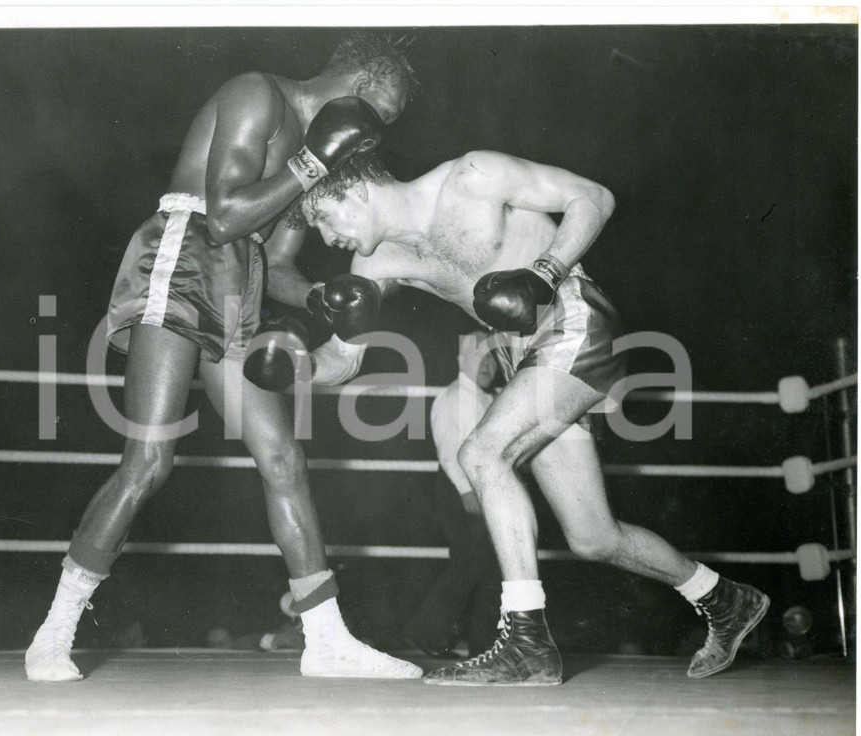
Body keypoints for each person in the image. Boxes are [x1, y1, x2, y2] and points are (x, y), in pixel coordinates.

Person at [264, 150, 770, 685]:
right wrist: (298, 367)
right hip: (523, 359)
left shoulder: (473, 177)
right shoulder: (374, 265)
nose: (324, 237)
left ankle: (527, 642)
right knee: (594, 536)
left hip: (572, 319)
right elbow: (345, 360)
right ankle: (722, 597)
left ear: (358, 188)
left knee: (482, 453)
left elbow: (594, 198)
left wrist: (542, 273)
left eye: (322, 216)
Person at [24, 33, 422, 682]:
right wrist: (313, 165)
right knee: (149, 460)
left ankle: (326, 639)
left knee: (283, 455)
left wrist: (326, 296)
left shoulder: (314, 153)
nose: (378, 131)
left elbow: (281, 262)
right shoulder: (255, 94)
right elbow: (224, 218)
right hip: (181, 259)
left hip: (243, 284)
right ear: (357, 81)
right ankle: (54, 630)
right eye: (382, 111)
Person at [400, 330, 503, 658]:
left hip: (482, 488)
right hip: (460, 488)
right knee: (471, 563)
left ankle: (483, 645)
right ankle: (424, 631)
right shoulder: (456, 396)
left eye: (492, 358)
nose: (487, 364)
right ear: (463, 360)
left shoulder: (487, 397)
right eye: (479, 357)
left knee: (487, 568)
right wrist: (465, 490)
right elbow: (448, 450)